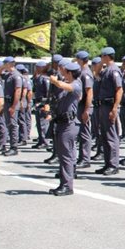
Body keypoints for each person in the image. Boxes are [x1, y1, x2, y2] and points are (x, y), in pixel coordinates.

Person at [46, 62, 83, 196]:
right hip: (62, 122)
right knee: (63, 156)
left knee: (66, 156)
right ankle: (63, 183)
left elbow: (63, 86)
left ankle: (67, 185)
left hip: (69, 124)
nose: (62, 74)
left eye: (65, 72)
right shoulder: (68, 84)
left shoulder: (76, 84)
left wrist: (55, 81)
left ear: (70, 73)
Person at [95, 47, 123, 176]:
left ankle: (113, 164)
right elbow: (95, 72)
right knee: (105, 136)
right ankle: (107, 163)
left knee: (111, 136)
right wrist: (101, 63)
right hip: (103, 106)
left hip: (110, 105)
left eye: (102, 56)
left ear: (107, 56)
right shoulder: (106, 70)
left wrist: (115, 108)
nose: (101, 58)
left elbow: (119, 89)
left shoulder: (114, 70)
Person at [75, 51, 95, 169]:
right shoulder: (81, 72)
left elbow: (89, 92)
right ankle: (82, 157)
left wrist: (87, 110)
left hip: (84, 106)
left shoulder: (86, 73)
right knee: (82, 133)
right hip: (81, 106)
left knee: (85, 133)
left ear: (81, 60)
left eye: (77, 59)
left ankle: (85, 158)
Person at [1, 56, 23, 156]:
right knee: (9, 125)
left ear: (10, 64)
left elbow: (18, 91)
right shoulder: (8, 74)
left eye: (5, 63)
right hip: (7, 102)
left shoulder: (16, 75)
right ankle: (11, 145)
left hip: (12, 103)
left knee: (13, 125)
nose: (4, 65)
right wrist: (1, 68)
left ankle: (14, 147)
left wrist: (14, 106)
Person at [32, 61, 51, 149]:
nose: (36, 69)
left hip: (43, 103)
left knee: (43, 124)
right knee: (39, 124)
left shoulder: (45, 78)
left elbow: (48, 92)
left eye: (38, 67)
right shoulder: (38, 78)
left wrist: (45, 103)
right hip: (38, 102)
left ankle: (45, 141)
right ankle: (41, 140)